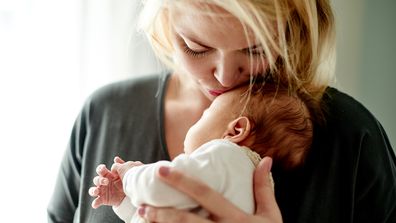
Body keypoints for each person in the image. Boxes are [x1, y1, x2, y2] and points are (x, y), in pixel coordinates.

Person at [47, 0, 396, 222]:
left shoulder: (352, 139)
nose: (225, 77)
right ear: (165, 25)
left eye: (255, 49)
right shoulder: (104, 113)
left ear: (292, 32)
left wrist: (132, 178)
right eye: (196, 47)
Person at [87, 84, 313, 223]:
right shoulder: (252, 186)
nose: (199, 117)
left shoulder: (226, 155)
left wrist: (130, 175)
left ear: (235, 130)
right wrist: (124, 202)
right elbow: (156, 214)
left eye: (207, 113)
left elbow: (160, 186)